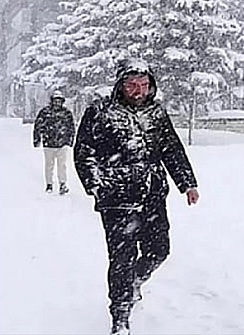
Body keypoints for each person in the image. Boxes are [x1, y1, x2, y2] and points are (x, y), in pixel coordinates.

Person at [73, 58, 199, 335]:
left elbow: (172, 150)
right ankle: (120, 316)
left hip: (153, 197)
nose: (138, 90)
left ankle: (134, 282)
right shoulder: (100, 111)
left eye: (143, 85)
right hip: (117, 200)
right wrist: (96, 184)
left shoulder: (156, 113)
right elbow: (84, 152)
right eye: (132, 85)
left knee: (159, 251)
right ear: (120, 85)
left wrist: (187, 183)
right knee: (122, 259)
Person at [33, 90, 75, 195]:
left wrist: (70, 140)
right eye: (55, 101)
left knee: (62, 165)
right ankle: (49, 184)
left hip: (62, 143)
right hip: (49, 143)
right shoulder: (45, 112)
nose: (57, 103)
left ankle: (62, 184)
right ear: (52, 101)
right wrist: (36, 139)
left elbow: (71, 127)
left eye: (59, 101)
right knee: (49, 165)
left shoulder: (66, 113)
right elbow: (38, 126)